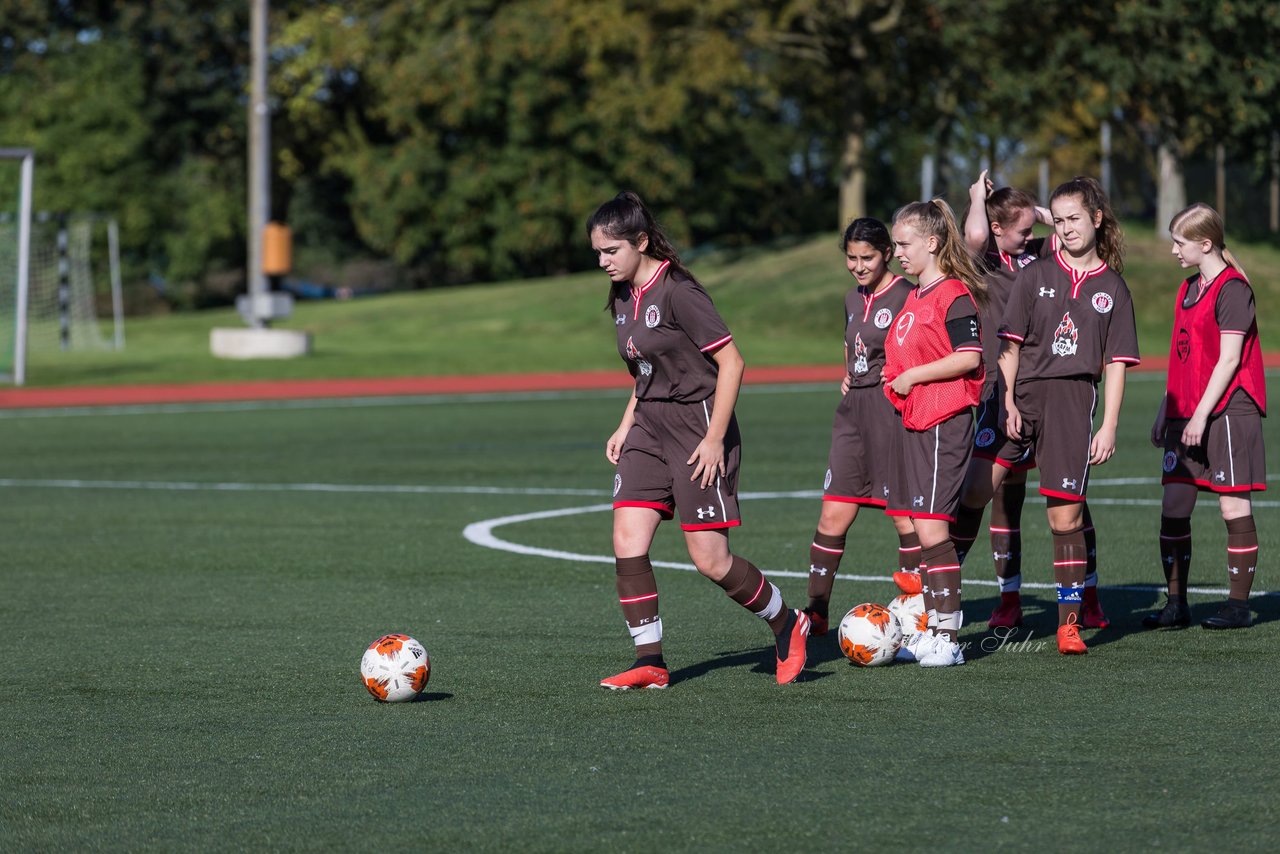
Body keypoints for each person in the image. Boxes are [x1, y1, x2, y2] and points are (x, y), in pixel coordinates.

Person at [587, 191, 809, 689]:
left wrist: (713, 439)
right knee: (627, 539)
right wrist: (626, 425)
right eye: (597, 252)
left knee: (710, 560)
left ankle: (787, 622)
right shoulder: (622, 294)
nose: (603, 262)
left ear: (641, 242)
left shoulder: (679, 290)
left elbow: (733, 363)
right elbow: (645, 372)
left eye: (611, 251)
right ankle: (651, 661)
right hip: (649, 425)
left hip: (697, 426)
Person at [949, 176, 1139, 656]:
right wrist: (1009, 400)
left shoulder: (1113, 287)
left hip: (1073, 402)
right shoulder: (1036, 273)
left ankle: (1069, 624)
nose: (1069, 228)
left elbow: (1116, 364)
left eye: (1078, 218)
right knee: (974, 489)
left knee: (1064, 516)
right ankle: (935, 601)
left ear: (1097, 219)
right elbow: (1009, 345)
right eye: (1063, 219)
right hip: (1016, 397)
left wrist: (1110, 424)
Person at [1146, 202, 1266, 630]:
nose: (1175, 250)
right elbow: (1183, 357)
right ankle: (1176, 605)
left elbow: (1229, 360)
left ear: (1205, 243)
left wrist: (1200, 416)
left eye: (1180, 242)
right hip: (1187, 414)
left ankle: (1238, 606)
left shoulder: (1233, 289)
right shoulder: (1186, 288)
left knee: (1233, 506)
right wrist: (1168, 408)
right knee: (1174, 506)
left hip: (1228, 411)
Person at [802, 218, 922, 635]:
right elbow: (852, 345)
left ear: (887, 252)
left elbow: (926, 348)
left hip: (893, 412)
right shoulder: (852, 299)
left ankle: (913, 612)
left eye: (866, 257)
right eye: (851, 258)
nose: (857, 265)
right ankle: (816, 612)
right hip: (853, 413)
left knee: (904, 518)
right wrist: (848, 374)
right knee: (833, 513)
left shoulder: (910, 294)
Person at [881, 199, 986, 667]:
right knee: (916, 525)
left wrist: (915, 375)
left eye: (904, 244)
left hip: (944, 418)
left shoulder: (953, 294)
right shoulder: (912, 295)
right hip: (914, 420)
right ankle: (926, 628)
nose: (897, 252)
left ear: (932, 242)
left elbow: (969, 356)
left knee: (932, 529)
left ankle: (947, 637)